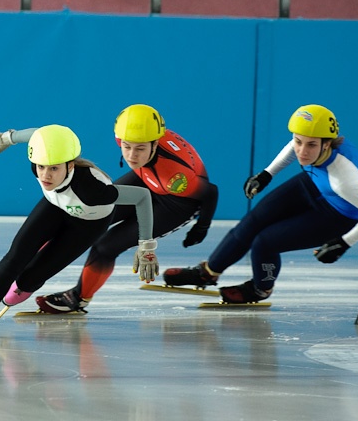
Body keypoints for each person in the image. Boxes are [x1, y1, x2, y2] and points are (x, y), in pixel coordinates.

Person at [162, 104, 358, 303]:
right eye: (299, 142)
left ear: (327, 145)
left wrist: (344, 243)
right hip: (315, 184)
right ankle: (208, 272)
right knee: (253, 221)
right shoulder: (311, 144)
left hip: (339, 214)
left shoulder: (345, 179)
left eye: (311, 145)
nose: (302, 151)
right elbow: (293, 146)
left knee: (265, 243)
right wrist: (266, 174)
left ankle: (261, 289)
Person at [0, 124, 159, 330]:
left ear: (70, 165)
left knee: (29, 279)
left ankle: (16, 291)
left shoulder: (93, 190)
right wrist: (6, 138)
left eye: (54, 169)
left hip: (87, 226)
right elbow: (39, 135)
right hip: (55, 205)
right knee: (15, 257)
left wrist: (146, 246)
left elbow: (142, 196)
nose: (45, 175)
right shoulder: (44, 159)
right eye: (41, 167)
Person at [31, 104, 219, 313]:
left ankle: (78, 298)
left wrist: (202, 226)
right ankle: (32, 259)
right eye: (127, 146)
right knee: (85, 214)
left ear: (155, 144)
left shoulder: (177, 177)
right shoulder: (128, 134)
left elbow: (210, 192)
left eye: (140, 149)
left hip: (176, 202)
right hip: (147, 177)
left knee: (105, 246)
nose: (131, 155)